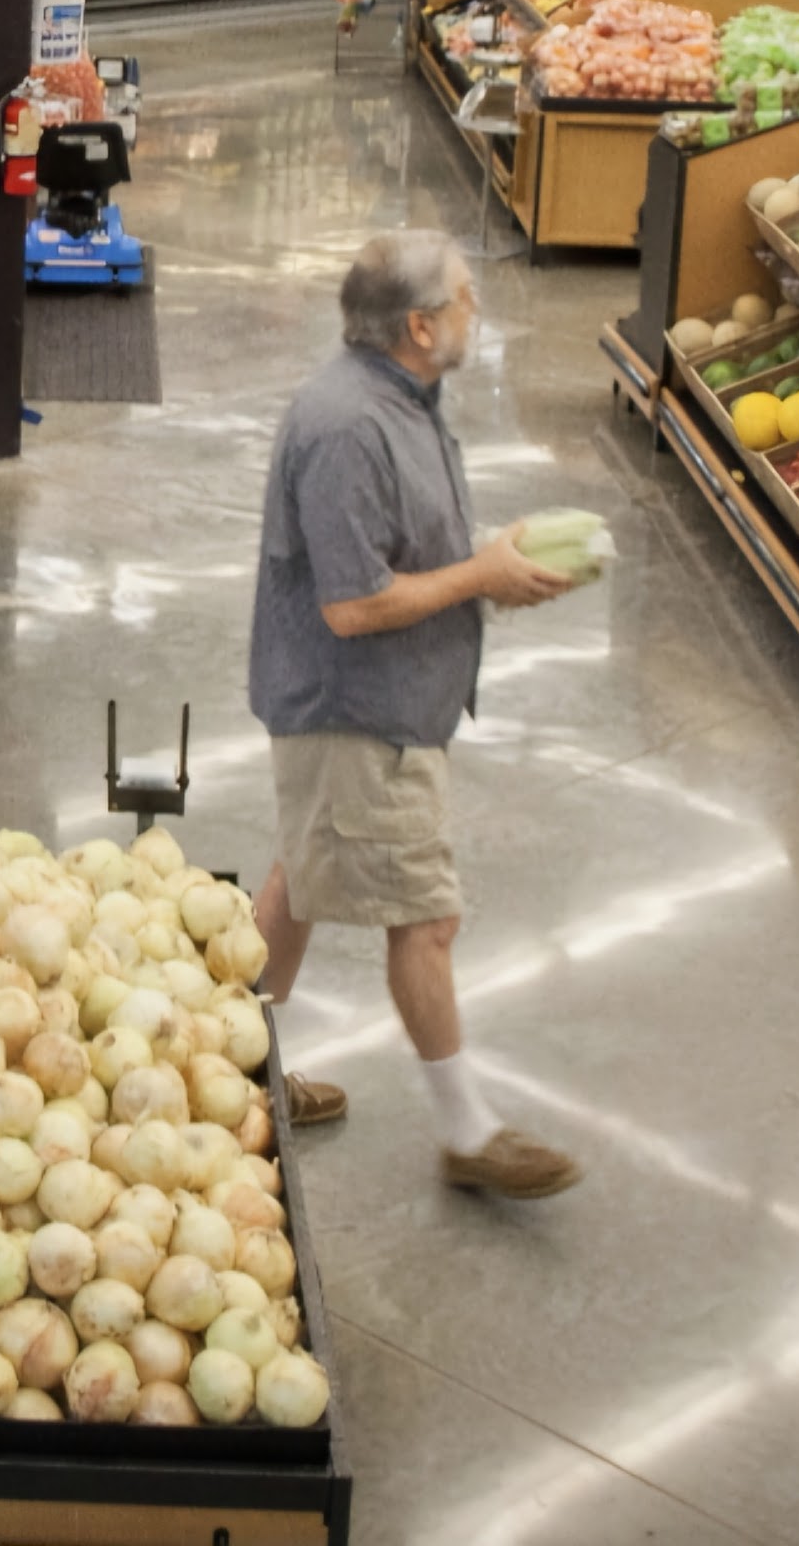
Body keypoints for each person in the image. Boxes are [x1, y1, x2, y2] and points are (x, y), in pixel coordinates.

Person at [248, 229, 584, 1200]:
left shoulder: (403, 399)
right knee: (427, 919)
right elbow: (352, 607)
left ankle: (237, 1070)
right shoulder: (348, 427)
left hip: (380, 705)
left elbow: (400, 555)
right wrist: (479, 575)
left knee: (297, 882)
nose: (477, 311)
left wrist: (491, 567)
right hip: (357, 715)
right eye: (465, 297)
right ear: (419, 325)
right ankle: (468, 1131)